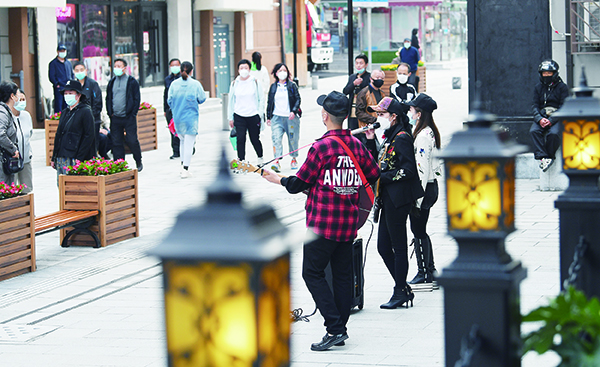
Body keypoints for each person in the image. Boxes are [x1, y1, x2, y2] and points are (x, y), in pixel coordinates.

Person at [262, 91, 380, 351]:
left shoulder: (321, 147)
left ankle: (335, 327)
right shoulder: (356, 145)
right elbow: (374, 173)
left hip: (322, 224)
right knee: (342, 276)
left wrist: (277, 179)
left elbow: (299, 183)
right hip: (348, 223)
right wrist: (347, 187)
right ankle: (340, 328)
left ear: (325, 116)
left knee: (312, 273)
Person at [364, 97, 424, 309]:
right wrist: (371, 140)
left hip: (398, 199)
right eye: (378, 114)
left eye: (381, 114)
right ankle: (403, 287)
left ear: (394, 117)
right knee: (383, 247)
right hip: (387, 198)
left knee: (398, 246)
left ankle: (400, 290)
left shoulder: (402, 138)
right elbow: (377, 164)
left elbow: (408, 170)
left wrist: (383, 178)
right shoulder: (390, 137)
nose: (378, 118)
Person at [405, 94, 441, 285]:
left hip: (424, 187)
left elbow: (422, 168)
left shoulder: (424, 136)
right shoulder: (426, 132)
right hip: (429, 186)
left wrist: (417, 199)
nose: (409, 112)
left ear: (419, 114)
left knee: (418, 230)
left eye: (412, 110)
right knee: (420, 229)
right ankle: (430, 270)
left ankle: (424, 271)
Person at [167, 61, 206, 179]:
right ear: (192, 71)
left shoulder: (174, 84)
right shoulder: (195, 84)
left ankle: (182, 165)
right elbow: (202, 98)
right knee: (189, 144)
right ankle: (185, 168)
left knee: (182, 142)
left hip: (178, 118)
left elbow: (169, 100)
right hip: (191, 119)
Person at [51, 80, 95, 179]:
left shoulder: (85, 111)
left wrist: (80, 157)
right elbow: (58, 135)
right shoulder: (65, 112)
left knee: (73, 184)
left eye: (70, 93)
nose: (67, 96)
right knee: (62, 185)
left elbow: (89, 136)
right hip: (62, 155)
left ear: (78, 95)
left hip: (75, 156)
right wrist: (54, 156)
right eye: (66, 93)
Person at [530, 59, 569, 172]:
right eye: (544, 73)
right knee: (534, 131)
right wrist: (539, 119)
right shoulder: (538, 88)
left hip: (557, 117)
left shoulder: (562, 87)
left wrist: (551, 120)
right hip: (542, 116)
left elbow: (564, 106)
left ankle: (549, 156)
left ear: (554, 73)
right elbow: (534, 105)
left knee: (554, 134)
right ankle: (543, 157)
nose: (546, 75)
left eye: (549, 73)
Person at [106, 58, 143, 172]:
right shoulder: (111, 82)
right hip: (115, 117)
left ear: (125, 68)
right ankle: (119, 164)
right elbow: (108, 98)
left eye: (119, 66)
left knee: (132, 140)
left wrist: (133, 114)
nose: (116, 68)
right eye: (115, 66)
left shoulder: (132, 81)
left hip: (128, 117)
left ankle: (138, 160)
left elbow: (136, 99)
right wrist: (110, 112)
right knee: (116, 142)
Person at [266, 63, 301, 172]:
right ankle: (276, 161)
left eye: (284, 70)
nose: (282, 73)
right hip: (276, 117)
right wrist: (268, 117)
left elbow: (298, 99)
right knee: (276, 138)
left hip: (290, 118)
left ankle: (294, 158)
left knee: (293, 139)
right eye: (280, 71)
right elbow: (270, 102)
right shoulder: (273, 86)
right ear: (276, 73)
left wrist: (293, 111)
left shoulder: (292, 85)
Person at [228, 59, 264, 164]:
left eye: (246, 68)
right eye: (241, 68)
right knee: (240, 138)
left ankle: (260, 157)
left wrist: (259, 114)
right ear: (238, 70)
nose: (243, 70)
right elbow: (231, 101)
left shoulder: (255, 82)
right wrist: (230, 117)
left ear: (249, 69)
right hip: (239, 115)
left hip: (253, 115)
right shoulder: (235, 83)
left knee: (254, 139)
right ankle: (241, 161)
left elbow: (261, 99)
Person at [73, 62, 103, 155]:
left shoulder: (92, 84)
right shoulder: (73, 85)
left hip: (93, 120)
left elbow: (97, 103)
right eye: (77, 70)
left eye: (81, 70)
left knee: (92, 145)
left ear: (86, 71)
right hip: (78, 121)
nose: (79, 72)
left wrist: (90, 117)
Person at [11, 90, 33, 193]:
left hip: (25, 159)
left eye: (24, 99)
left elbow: (30, 134)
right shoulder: (7, 117)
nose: (22, 102)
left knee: (27, 188)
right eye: (20, 99)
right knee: (12, 188)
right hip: (12, 159)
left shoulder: (26, 116)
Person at [355, 69, 386, 144]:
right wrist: (374, 120)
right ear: (371, 79)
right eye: (377, 78)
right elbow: (359, 113)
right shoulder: (363, 93)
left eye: (382, 78)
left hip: (379, 129)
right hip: (366, 131)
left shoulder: (382, 93)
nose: (380, 80)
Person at [342, 54, 371, 132]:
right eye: (357, 63)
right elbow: (345, 91)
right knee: (352, 132)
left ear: (366, 65)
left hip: (363, 111)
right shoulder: (352, 77)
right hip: (352, 111)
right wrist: (353, 84)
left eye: (361, 63)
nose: (358, 65)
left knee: (363, 133)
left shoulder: (369, 77)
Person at [0, 81, 21, 185]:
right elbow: (0, 134)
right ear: (12, 96)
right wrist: (13, 149)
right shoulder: (2, 112)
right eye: (17, 94)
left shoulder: (5, 111)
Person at [48, 44, 75, 113]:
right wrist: (57, 84)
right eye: (61, 51)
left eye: (64, 51)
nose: (62, 52)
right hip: (59, 88)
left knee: (68, 106)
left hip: (68, 88)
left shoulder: (68, 63)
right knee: (59, 106)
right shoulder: (53, 63)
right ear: (57, 52)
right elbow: (51, 76)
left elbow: (71, 74)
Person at [164, 58, 181, 159]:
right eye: (172, 65)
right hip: (170, 109)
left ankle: (186, 147)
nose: (174, 67)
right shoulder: (167, 79)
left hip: (181, 108)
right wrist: (165, 109)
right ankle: (175, 151)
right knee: (172, 130)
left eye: (176, 65)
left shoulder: (183, 78)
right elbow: (165, 94)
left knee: (182, 129)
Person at [250, 51, 270, 118]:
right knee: (261, 105)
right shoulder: (263, 69)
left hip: (251, 91)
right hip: (261, 91)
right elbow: (266, 81)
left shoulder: (249, 69)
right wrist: (266, 90)